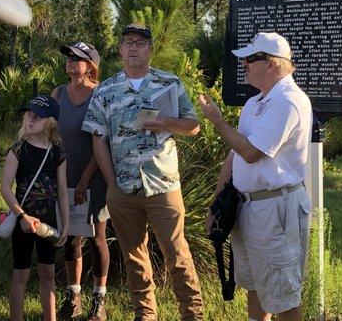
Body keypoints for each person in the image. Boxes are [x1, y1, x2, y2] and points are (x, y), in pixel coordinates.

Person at [82, 24, 204, 321]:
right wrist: (111, 183)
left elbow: (193, 125)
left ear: (150, 49)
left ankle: (192, 314)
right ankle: (145, 314)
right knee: (134, 257)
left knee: (177, 254)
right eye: (128, 42)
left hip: (163, 185)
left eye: (140, 42)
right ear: (121, 49)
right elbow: (98, 137)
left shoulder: (169, 83)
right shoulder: (106, 90)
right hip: (122, 189)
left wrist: (164, 121)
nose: (134, 47)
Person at [198, 32, 313, 321]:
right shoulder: (255, 103)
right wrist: (216, 203)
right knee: (255, 285)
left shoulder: (288, 102)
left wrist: (218, 122)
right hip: (248, 207)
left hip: (276, 209)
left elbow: (250, 153)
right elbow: (235, 155)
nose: (244, 64)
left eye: (250, 59)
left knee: (283, 294)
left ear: (273, 64)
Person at [52, 42, 110, 321]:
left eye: (78, 58)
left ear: (91, 66)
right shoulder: (58, 93)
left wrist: (87, 178)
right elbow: (49, 134)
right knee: (70, 237)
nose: (71, 62)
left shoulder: (100, 95)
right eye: (69, 57)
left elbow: (104, 142)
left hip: (94, 177)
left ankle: (99, 299)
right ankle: (73, 295)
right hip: (64, 176)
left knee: (97, 238)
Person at [0, 95, 69, 321]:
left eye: (36, 116)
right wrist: (22, 216)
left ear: (50, 121)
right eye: (28, 114)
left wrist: (66, 224)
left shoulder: (57, 152)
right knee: (21, 274)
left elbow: (61, 190)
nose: (30, 119)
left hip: (47, 223)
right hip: (23, 222)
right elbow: (5, 188)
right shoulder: (18, 149)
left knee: (48, 273)